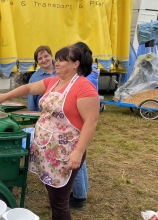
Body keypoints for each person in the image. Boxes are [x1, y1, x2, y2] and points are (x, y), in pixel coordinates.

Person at [0, 45, 99, 219]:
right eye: (57, 59)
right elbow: (27, 89)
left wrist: (78, 152)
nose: (57, 63)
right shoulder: (54, 81)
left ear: (76, 64)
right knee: (53, 195)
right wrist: (5, 96)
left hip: (66, 152)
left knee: (59, 202)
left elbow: (91, 121)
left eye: (63, 60)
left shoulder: (84, 87)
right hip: (47, 149)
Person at [70, 41, 100, 211]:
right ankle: (83, 190)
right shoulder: (92, 70)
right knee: (82, 160)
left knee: (77, 158)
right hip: (84, 117)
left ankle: (79, 197)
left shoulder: (85, 77)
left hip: (80, 120)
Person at [28, 45, 57, 111]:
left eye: (46, 56)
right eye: (40, 58)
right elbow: (31, 104)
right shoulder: (34, 79)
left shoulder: (62, 71)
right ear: (37, 62)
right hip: (44, 117)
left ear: (51, 56)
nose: (44, 60)